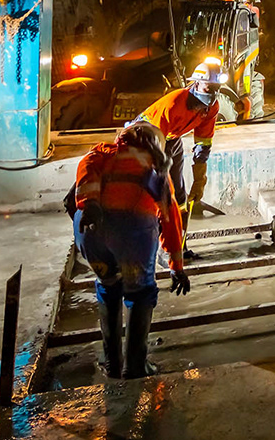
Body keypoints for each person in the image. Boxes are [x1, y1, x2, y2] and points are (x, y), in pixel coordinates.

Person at [65, 122, 191, 379]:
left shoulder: (99, 155)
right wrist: (176, 268)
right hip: (134, 235)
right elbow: (170, 221)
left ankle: (112, 363)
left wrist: (92, 222)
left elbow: (72, 199)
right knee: (140, 293)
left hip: (91, 234)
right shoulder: (154, 167)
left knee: (108, 286)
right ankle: (134, 367)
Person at [133, 60, 224, 218]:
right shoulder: (174, 104)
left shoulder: (211, 108)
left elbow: (203, 142)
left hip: (171, 138)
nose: (213, 94)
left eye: (217, 88)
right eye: (209, 88)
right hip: (144, 137)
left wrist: (199, 179)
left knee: (177, 186)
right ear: (196, 83)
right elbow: (156, 142)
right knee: (156, 184)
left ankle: (179, 217)